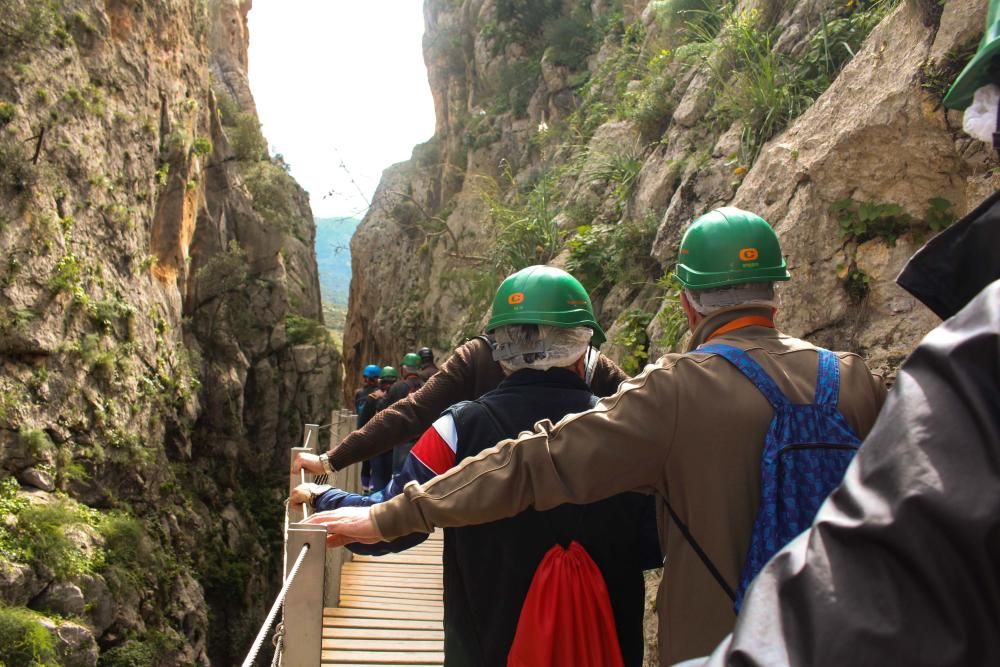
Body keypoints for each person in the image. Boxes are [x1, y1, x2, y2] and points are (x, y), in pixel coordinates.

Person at [304, 207, 888, 665]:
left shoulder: (672, 395)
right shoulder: (854, 379)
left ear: (687, 302)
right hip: (839, 630)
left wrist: (378, 513)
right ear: (776, 292)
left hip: (721, 639)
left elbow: (536, 462)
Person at [296, 266, 660, 666]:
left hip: (485, 646)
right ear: (584, 353)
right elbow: (651, 547)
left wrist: (323, 495)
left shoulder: (456, 428)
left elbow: (393, 523)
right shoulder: (629, 434)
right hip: (605, 649)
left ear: (500, 353)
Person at [295, 295, 630, 480]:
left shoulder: (477, 357)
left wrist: (331, 460)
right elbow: (642, 405)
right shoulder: (590, 364)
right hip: (579, 524)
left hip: (481, 508)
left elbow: (412, 413)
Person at [377, 353, 425, 481]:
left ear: (404, 369)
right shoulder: (427, 385)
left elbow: (382, 408)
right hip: (423, 439)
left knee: (399, 477)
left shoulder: (397, 387)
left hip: (402, 438)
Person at [364, 366, 397, 491]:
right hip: (392, 445)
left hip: (376, 444)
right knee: (387, 480)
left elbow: (362, 422)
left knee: (379, 479)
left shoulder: (372, 399)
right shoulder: (400, 397)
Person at [354, 364, 381, 491]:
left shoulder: (359, 393)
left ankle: (365, 489)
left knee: (365, 462)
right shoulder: (379, 394)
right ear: (377, 378)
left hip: (361, 430)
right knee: (375, 461)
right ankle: (372, 489)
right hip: (375, 431)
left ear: (365, 378)